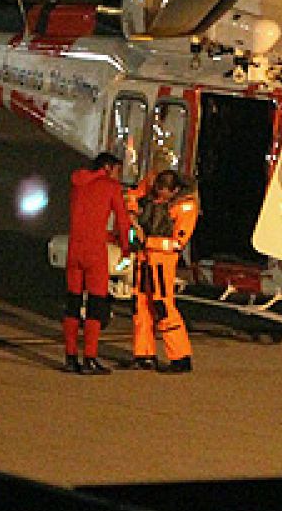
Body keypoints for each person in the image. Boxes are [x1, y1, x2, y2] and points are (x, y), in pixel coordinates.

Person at [62, 152, 132, 375]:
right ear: (109, 168)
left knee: (72, 303)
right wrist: (125, 247)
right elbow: (123, 221)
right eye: (118, 170)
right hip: (94, 252)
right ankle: (90, 358)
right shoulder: (110, 187)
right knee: (96, 304)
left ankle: (70, 356)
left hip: (74, 249)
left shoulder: (78, 183)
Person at [126, 169, 198, 373]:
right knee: (140, 306)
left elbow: (178, 243)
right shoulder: (151, 187)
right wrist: (132, 212)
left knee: (164, 307)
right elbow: (132, 194)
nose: (159, 196)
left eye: (164, 192)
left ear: (174, 191)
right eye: (158, 191)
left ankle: (181, 357)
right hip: (144, 258)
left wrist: (147, 241)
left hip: (162, 262)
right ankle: (144, 355)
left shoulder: (185, 207)